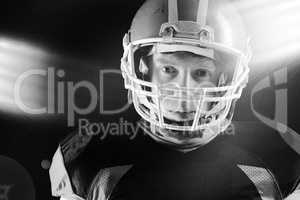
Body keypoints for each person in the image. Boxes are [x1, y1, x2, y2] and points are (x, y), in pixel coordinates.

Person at [49, 0, 299, 199]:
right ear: (142, 68)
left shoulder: (281, 157)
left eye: (200, 72)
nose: (183, 88)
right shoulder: (91, 158)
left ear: (226, 77)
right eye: (169, 69)